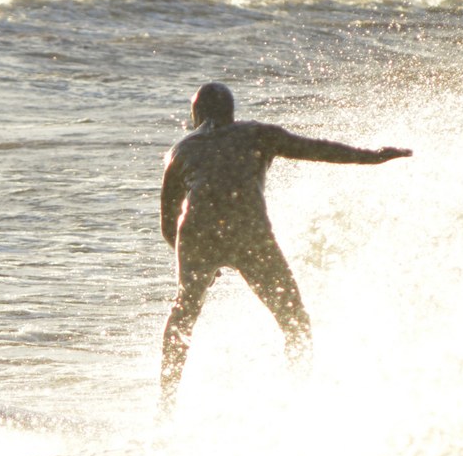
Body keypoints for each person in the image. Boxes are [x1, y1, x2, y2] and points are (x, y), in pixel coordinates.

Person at [159, 81, 410, 408]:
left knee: (184, 312)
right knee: (295, 320)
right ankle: (298, 398)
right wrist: (372, 157)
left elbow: (168, 223)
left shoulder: (180, 151)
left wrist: (197, 262)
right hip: (248, 233)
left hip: (197, 233)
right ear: (231, 114)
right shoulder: (257, 134)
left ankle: (166, 403)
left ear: (197, 115)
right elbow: (317, 149)